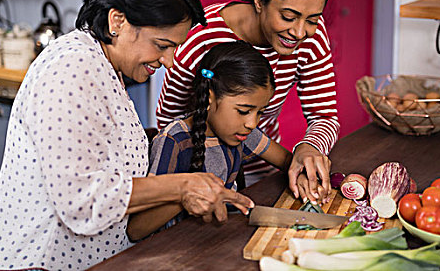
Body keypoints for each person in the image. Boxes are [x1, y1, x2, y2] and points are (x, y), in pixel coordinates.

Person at [0, 0, 254, 271]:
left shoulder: (105, 66)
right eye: (162, 45)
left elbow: (104, 149)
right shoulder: (71, 68)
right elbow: (82, 200)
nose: (169, 61)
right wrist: (183, 184)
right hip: (36, 263)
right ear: (117, 21)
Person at [156, 0, 339, 204]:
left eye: (312, 19)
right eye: (288, 16)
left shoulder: (312, 36)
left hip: (264, 174)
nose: (301, 32)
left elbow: (324, 116)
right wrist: (194, 184)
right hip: (200, 181)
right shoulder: (202, 37)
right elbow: (169, 121)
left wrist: (309, 147)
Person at [127, 41, 313, 240]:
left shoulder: (241, 131)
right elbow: (137, 229)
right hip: (174, 250)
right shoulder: (174, 141)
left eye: (260, 112)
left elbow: (287, 162)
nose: (252, 123)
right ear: (209, 97)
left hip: (217, 241)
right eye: (243, 111)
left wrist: (300, 174)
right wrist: (187, 195)